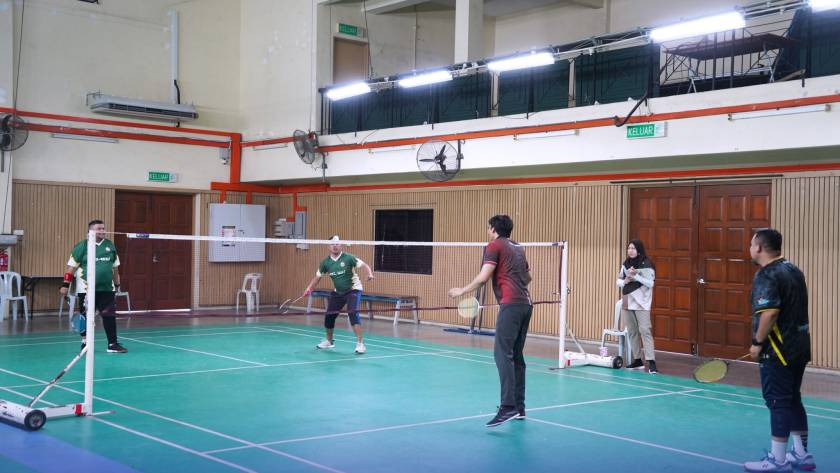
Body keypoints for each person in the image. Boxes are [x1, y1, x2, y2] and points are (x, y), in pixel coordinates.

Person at [448, 215, 532, 428]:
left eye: (488, 228)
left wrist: (461, 291)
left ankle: (508, 407)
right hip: (526, 304)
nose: (487, 231)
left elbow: (483, 277)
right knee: (516, 356)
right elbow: (527, 277)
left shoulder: (494, 246)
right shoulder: (518, 247)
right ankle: (519, 407)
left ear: (494, 229)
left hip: (511, 305)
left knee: (502, 354)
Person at [743, 229, 815, 473]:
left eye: (751, 244)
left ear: (759, 248)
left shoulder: (767, 274)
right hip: (799, 347)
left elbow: (770, 312)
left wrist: (757, 342)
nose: (750, 248)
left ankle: (778, 460)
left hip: (778, 351)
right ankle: (801, 454)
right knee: (793, 398)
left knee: (778, 402)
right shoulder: (793, 269)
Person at [59, 219, 127, 353]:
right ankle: (85, 343)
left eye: (103, 228)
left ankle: (112, 344)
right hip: (86, 289)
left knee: (109, 316)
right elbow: (71, 268)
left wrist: (117, 283)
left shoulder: (110, 245)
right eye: (99, 228)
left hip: (107, 289)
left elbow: (115, 268)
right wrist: (65, 285)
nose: (102, 231)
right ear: (90, 231)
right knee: (85, 317)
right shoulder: (82, 246)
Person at [303, 235, 374, 354]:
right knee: (329, 316)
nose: (335, 246)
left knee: (352, 313)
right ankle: (329, 341)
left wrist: (369, 274)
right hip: (338, 292)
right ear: (328, 246)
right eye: (332, 244)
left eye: (337, 244)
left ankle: (360, 344)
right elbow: (317, 277)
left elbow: (365, 265)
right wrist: (309, 288)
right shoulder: (325, 262)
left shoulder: (349, 258)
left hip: (353, 290)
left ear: (341, 245)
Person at [615, 239, 657, 373]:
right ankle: (638, 360)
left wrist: (636, 277)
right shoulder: (626, 263)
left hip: (642, 302)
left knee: (645, 331)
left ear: (638, 250)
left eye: (633, 248)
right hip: (627, 300)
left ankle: (651, 362)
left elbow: (651, 283)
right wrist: (625, 281)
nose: (630, 250)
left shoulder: (647, 264)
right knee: (632, 331)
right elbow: (618, 281)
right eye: (629, 248)